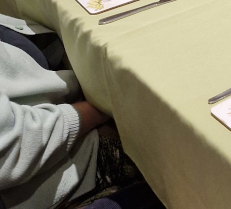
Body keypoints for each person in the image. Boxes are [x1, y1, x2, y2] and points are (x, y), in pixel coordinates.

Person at [0, 14, 163, 209]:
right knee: (175, 149)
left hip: (58, 99)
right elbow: (14, 144)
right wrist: (99, 107)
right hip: (68, 170)